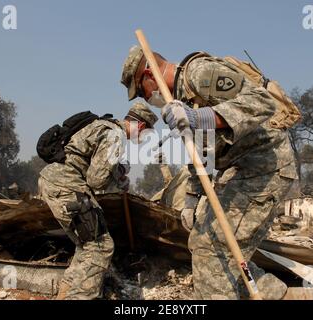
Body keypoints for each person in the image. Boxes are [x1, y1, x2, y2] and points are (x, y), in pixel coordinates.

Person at [121, 46, 297, 299]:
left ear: (150, 74)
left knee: (211, 252)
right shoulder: (179, 102)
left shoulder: (199, 73)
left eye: (141, 90)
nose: (145, 98)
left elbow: (263, 102)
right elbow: (199, 154)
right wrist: (191, 201)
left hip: (263, 168)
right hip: (237, 171)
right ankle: (273, 293)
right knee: (203, 240)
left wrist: (200, 116)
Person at [38, 103, 158, 300]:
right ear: (142, 126)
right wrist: (117, 172)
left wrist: (117, 170)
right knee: (100, 246)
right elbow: (96, 179)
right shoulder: (115, 134)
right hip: (67, 185)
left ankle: (65, 295)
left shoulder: (102, 124)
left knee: (86, 247)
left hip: (54, 182)